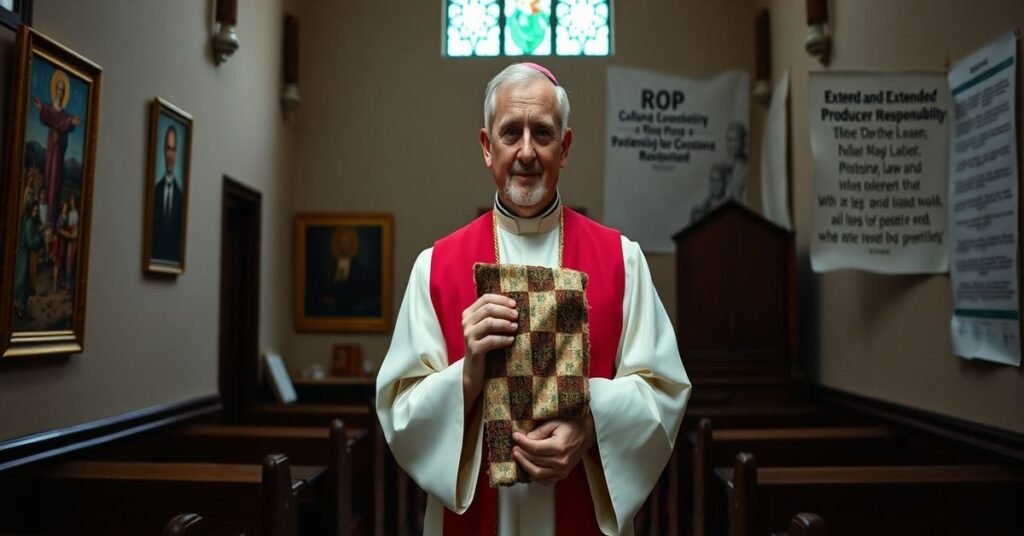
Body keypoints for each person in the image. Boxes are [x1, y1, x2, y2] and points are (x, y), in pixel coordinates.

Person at [376, 63, 690, 535]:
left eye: (542, 133)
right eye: (510, 133)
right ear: (487, 147)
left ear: (564, 148)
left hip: (578, 509)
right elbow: (400, 409)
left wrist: (590, 428)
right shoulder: (435, 266)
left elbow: (663, 392)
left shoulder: (621, 260)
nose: (526, 151)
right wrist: (467, 376)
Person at [32, 69, 81, 226]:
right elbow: (53, 118)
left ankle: (52, 218)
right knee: (48, 177)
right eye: (58, 88)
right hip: (51, 148)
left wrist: (71, 122)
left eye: (62, 89)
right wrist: (42, 108)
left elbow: (63, 120)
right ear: (55, 90)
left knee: (56, 180)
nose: (60, 92)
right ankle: (44, 216)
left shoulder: (64, 114)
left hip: (59, 151)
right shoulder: (52, 110)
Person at [151, 125, 184, 263]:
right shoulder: (154, 192)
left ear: (176, 153)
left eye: (173, 149)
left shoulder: (181, 198)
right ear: (164, 151)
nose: (170, 155)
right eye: (168, 148)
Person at [722, 121, 748, 201]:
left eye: (736, 140)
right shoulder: (725, 165)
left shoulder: (746, 168)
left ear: (742, 141)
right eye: (729, 140)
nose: (732, 145)